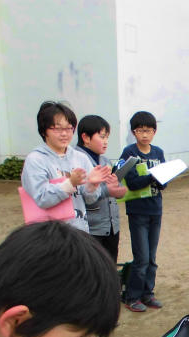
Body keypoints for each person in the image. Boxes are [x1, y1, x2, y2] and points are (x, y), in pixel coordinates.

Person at [21, 101, 112, 236]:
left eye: (69, 128)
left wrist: (92, 185)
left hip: (79, 232)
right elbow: (42, 198)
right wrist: (70, 183)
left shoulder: (80, 158)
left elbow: (90, 199)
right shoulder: (36, 160)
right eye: (57, 129)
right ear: (44, 131)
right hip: (47, 235)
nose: (64, 134)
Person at [120, 110, 167, 312]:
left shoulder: (158, 153)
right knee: (142, 258)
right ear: (134, 132)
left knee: (152, 258)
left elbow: (164, 182)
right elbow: (132, 182)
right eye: (140, 131)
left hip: (155, 209)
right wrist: (153, 176)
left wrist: (163, 177)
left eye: (148, 131)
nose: (144, 135)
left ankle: (148, 293)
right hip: (137, 211)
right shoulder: (129, 153)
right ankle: (132, 296)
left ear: (154, 132)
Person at [74, 114, 127, 264]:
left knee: (109, 267)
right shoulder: (76, 160)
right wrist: (108, 191)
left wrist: (118, 188)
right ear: (86, 138)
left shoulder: (105, 160)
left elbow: (113, 188)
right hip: (91, 228)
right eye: (102, 137)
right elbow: (83, 195)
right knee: (93, 268)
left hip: (111, 226)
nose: (106, 142)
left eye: (107, 137)